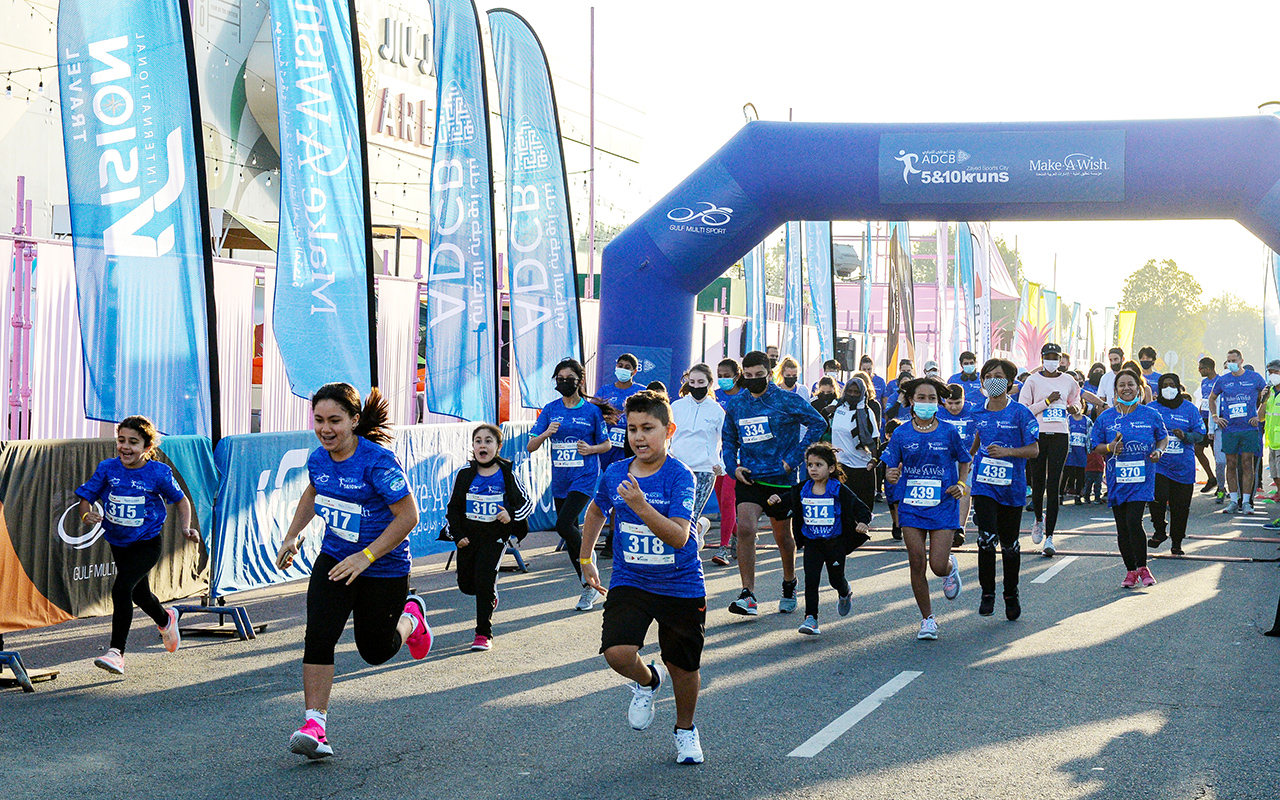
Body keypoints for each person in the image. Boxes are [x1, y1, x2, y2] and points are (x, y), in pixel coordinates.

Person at [274, 384, 430, 760]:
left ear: (354, 420)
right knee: (319, 635)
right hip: (335, 558)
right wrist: (292, 535)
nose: (325, 429)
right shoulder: (319, 459)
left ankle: (412, 617)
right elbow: (313, 492)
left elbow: (408, 516)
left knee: (374, 651)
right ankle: (315, 726)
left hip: (384, 566)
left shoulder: (378, 462)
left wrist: (367, 556)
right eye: (319, 420)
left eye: (335, 420)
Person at [579, 390, 707, 765]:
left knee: (683, 667)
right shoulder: (616, 472)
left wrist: (640, 505)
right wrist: (586, 558)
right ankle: (648, 680)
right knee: (617, 653)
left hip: (680, 583)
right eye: (632, 429)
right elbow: (596, 511)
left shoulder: (680, 476)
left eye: (648, 428)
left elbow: (679, 536)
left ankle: (685, 730)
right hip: (631, 579)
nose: (638, 437)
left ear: (669, 430)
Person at [75, 416, 200, 676]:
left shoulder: (158, 473)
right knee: (140, 595)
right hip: (118, 542)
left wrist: (185, 528)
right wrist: (86, 515)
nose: (125, 447)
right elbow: (85, 498)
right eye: (121, 440)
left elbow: (181, 500)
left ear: (147, 447)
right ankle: (166, 619)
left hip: (147, 542)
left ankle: (116, 653)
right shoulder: (108, 468)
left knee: (122, 589)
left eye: (133, 442)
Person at [721, 350, 826, 615]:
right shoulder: (736, 403)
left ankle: (790, 582)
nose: (753, 379)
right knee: (746, 528)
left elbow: (818, 423)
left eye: (759, 375)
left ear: (769, 374)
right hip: (750, 477)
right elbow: (728, 439)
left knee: (782, 536)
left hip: (781, 479)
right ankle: (748, 594)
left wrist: (794, 460)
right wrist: (733, 468)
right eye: (748, 375)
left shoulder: (786, 400)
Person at [881, 376, 972, 640]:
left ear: (938, 402)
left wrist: (961, 484)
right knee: (917, 561)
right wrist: (890, 475)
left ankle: (950, 568)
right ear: (911, 400)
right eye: (921, 398)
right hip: (911, 506)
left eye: (932, 398)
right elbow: (890, 465)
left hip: (943, 504)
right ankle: (927, 619)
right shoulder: (901, 433)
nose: (926, 402)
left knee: (937, 565)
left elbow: (964, 460)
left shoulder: (948, 431)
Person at [527, 358, 612, 610]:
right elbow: (530, 446)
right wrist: (546, 433)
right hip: (561, 479)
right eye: (560, 379)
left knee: (563, 524)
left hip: (584, 476)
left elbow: (606, 444)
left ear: (580, 381)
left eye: (569, 379)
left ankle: (588, 554)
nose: (564, 382)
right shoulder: (550, 409)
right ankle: (588, 587)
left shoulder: (591, 412)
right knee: (569, 530)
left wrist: (591, 449)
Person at [445, 424, 533, 651]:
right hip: (469, 537)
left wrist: (510, 514)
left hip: (495, 537)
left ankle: (483, 633)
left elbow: (527, 503)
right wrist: (458, 535)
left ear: (498, 446)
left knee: (484, 580)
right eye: (478, 441)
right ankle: (489, 596)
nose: (482, 445)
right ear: (473, 446)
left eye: (488, 441)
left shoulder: (507, 473)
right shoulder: (464, 474)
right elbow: (453, 508)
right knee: (467, 585)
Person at [968, 359, 1040, 620]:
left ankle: (1011, 594)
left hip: (1012, 487)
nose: (992, 380)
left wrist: (1008, 452)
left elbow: (1034, 450)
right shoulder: (976, 412)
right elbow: (976, 441)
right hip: (984, 485)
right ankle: (987, 593)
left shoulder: (1021, 412)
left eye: (998, 376)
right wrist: (964, 461)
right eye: (988, 376)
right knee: (986, 539)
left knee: (1009, 546)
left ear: (1009, 382)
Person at [782, 443, 872, 635]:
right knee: (811, 580)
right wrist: (777, 499)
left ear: (831, 468)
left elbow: (861, 508)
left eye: (818, 465)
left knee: (835, 579)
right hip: (812, 543)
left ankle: (844, 591)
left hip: (834, 544)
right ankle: (811, 618)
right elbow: (789, 499)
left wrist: (863, 523)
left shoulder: (837, 489)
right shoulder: (803, 489)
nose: (813, 469)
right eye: (810, 465)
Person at [1091, 370, 1169, 588]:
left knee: (1134, 521)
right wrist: (1110, 447)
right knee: (1122, 527)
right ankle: (1131, 570)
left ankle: (1143, 567)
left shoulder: (1151, 414)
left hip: (1142, 478)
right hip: (1117, 479)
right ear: (1116, 390)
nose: (1126, 388)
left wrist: (1159, 451)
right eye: (1122, 385)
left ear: (1139, 388)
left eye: (1131, 384)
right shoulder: (1106, 417)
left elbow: (1163, 438)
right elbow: (1095, 446)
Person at [1018, 343, 1080, 557]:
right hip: (1038, 434)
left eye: (1056, 357)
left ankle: (1050, 537)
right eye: (1049, 357)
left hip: (1060, 434)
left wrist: (1075, 408)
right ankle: (1038, 519)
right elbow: (1024, 410)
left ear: (1061, 359)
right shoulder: (1033, 380)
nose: (1052, 361)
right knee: (1038, 483)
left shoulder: (1069, 380)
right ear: (1042, 358)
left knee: (1054, 485)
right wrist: (1046, 401)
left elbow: (1077, 401)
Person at [1147, 374, 1204, 556]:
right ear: (1159, 389)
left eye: (1172, 385)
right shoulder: (1151, 408)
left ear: (1179, 387)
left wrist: (1185, 436)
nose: (1169, 388)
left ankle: (1177, 542)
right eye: (1165, 385)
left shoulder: (1189, 409)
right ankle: (1159, 530)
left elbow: (1200, 434)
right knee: (1157, 497)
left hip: (1183, 467)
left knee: (1180, 507)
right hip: (1159, 464)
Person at [596, 354, 646, 557]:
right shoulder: (605, 391)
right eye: (620, 365)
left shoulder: (640, 392)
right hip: (605, 449)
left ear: (634, 371)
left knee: (621, 492)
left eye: (627, 367)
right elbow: (594, 414)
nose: (623, 369)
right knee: (605, 493)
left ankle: (612, 538)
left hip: (628, 450)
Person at [670, 364, 726, 544]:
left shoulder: (717, 410)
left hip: (705, 470)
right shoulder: (676, 406)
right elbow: (666, 435)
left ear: (709, 383)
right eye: (692, 382)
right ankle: (699, 528)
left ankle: (690, 548)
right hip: (678, 468)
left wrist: (722, 464)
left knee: (690, 515)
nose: (696, 386)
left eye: (701, 382)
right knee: (677, 514)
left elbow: (728, 440)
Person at [1209, 349, 1267, 515]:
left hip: (1249, 428)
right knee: (1231, 463)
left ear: (1241, 361)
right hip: (1230, 428)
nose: (1231, 364)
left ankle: (1247, 501)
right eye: (1228, 361)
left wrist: (1259, 415)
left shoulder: (1254, 377)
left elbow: (1267, 393)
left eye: (1234, 360)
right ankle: (1234, 501)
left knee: (1247, 463)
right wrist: (1215, 417)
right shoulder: (1223, 380)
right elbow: (1212, 398)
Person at [829, 375, 881, 512]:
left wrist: (874, 460)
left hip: (862, 467)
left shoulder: (867, 412)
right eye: (850, 391)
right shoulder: (837, 409)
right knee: (842, 509)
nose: (852, 395)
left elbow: (874, 439)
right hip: (841, 466)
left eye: (856, 392)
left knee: (863, 509)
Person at [711, 358, 744, 565]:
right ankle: (740, 535)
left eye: (727, 376)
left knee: (728, 500)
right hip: (717, 456)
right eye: (720, 376)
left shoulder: (745, 396)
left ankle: (723, 548)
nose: (723, 379)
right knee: (723, 505)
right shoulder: (714, 396)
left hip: (737, 456)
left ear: (737, 376)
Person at [939, 383, 977, 547]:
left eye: (957, 403)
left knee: (965, 490)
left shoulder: (973, 410)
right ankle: (944, 525)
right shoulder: (938, 411)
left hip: (966, 456)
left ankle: (960, 528)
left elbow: (981, 433)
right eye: (950, 403)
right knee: (945, 492)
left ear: (964, 400)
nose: (953, 407)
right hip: (944, 457)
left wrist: (972, 455)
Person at [1194, 357, 1220, 495]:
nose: (1199, 371)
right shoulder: (1204, 382)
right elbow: (1204, 400)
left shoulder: (1219, 381)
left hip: (1214, 420)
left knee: (1217, 455)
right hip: (1203, 419)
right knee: (1197, 449)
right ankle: (1211, 477)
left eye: (1201, 368)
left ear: (1208, 368)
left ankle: (1222, 484)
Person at [1063, 405, 1091, 504]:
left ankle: (1078, 496)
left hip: (1081, 452)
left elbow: (1090, 435)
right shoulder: (1067, 419)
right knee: (1066, 474)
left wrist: (1089, 449)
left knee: (1080, 475)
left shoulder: (1087, 421)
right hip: (1069, 452)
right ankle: (1060, 495)